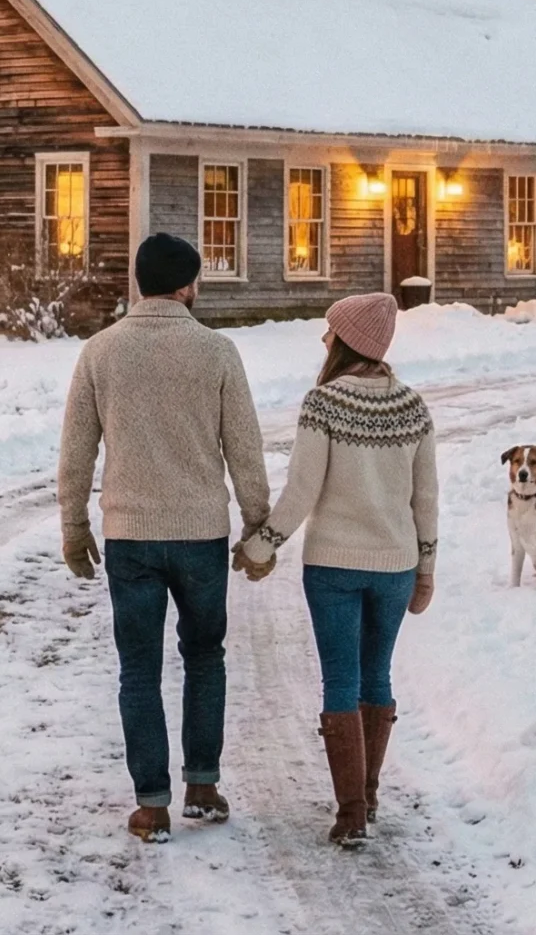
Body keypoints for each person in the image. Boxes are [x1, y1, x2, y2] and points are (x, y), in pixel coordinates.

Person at [57, 232, 271, 844]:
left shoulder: (101, 352)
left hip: (130, 538)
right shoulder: (218, 353)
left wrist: (74, 525)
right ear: (186, 286)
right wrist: (258, 528)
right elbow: (245, 450)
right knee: (205, 658)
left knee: (139, 669)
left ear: (140, 283)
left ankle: (152, 805)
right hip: (201, 534)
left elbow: (76, 451)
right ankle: (201, 785)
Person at [237, 290, 437, 848]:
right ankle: (368, 795)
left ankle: (351, 812)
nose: (325, 339)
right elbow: (427, 499)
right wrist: (426, 569)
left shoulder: (322, 404)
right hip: (395, 566)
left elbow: (302, 491)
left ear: (347, 341)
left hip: (332, 567)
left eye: (331, 331)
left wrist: (261, 546)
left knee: (341, 681)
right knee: (376, 676)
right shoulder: (413, 407)